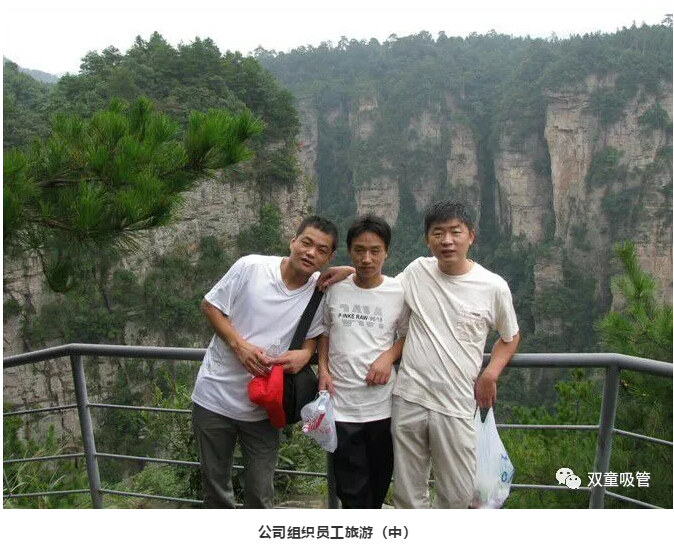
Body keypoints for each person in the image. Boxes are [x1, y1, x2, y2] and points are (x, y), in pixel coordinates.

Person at [191, 215, 338, 508]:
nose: (311, 253)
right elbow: (210, 306)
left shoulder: (318, 291)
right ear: (293, 241)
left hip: (265, 408)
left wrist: (306, 353)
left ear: (329, 258)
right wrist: (239, 346)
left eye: (321, 250)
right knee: (215, 491)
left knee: (260, 495)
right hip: (214, 398)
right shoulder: (251, 267)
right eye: (306, 243)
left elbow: (314, 335)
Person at [391, 200, 520, 508]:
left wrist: (490, 373)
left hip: (456, 404)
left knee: (456, 495)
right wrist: (346, 273)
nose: (446, 241)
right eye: (438, 233)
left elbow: (510, 336)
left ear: (470, 236)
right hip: (409, 398)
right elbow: (380, 292)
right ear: (428, 239)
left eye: (455, 232)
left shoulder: (493, 286)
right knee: (408, 495)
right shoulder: (416, 272)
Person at [317, 215, 409, 509]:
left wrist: (389, 356)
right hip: (341, 407)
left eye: (375, 251)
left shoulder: (399, 291)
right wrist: (323, 369)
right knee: (351, 492)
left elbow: (408, 334)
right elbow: (325, 332)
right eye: (359, 250)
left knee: (378, 485)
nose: (366, 258)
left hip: (383, 407)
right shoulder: (335, 288)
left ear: (387, 252)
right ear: (349, 251)